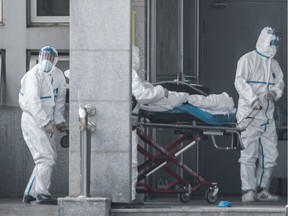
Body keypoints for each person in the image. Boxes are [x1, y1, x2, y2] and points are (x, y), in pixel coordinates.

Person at [234, 26, 284, 202]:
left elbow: (280, 83)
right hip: (249, 115)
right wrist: (253, 99)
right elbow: (239, 82)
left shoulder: (274, 64)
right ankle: (248, 190)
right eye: (272, 42)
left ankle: (263, 189)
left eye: (277, 43)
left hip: (267, 117)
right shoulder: (247, 60)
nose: (274, 46)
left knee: (270, 155)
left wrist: (275, 93)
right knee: (248, 154)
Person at [19, 46, 67, 205]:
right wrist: (45, 122)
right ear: (39, 57)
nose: (47, 60)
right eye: (44, 56)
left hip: (47, 122)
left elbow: (59, 102)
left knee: (48, 158)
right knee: (46, 158)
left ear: (55, 60)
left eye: (50, 57)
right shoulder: (32, 76)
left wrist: (59, 121)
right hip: (33, 121)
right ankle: (41, 193)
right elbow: (32, 103)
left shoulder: (59, 76)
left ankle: (30, 194)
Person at [131, 45, 169, 200]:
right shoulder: (131, 73)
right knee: (131, 161)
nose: (138, 60)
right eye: (137, 56)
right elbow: (143, 96)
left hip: (128, 121)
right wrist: (162, 91)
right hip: (128, 124)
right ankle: (130, 196)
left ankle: (129, 195)